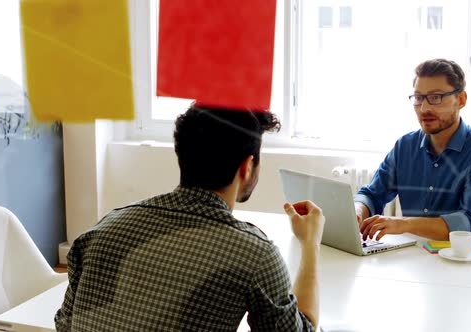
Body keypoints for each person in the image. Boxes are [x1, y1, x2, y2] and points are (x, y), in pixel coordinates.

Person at [55, 105, 325, 331]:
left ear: (181, 155)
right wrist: (310, 244)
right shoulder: (255, 254)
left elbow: (64, 323)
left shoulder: (101, 231)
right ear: (246, 166)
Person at [356, 58, 471, 241]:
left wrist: (404, 224)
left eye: (436, 97)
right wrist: (357, 211)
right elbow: (372, 194)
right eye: (418, 98)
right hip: (417, 256)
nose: (424, 108)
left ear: (461, 100)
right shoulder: (405, 147)